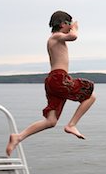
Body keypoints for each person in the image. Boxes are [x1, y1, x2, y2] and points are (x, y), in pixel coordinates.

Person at [6, 10, 96, 156]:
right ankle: (71, 125)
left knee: (51, 121)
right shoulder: (56, 37)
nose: (70, 26)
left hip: (54, 81)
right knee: (91, 95)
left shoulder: (56, 38)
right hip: (59, 78)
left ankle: (18, 137)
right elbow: (73, 36)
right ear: (62, 24)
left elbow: (70, 36)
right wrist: (76, 27)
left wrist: (72, 26)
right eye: (68, 24)